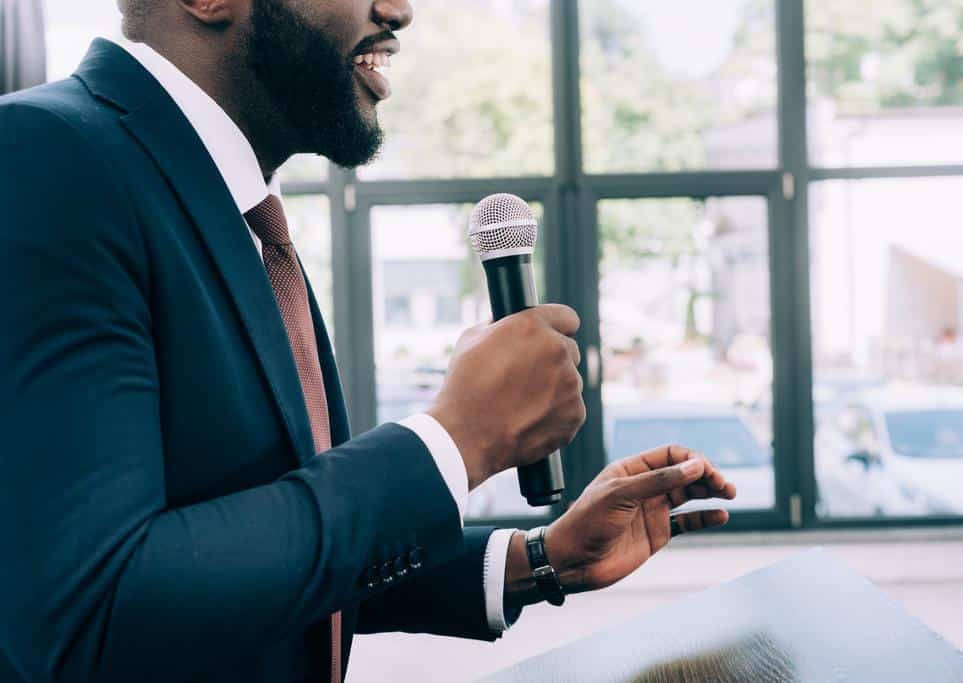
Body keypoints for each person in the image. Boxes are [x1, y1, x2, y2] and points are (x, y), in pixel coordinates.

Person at [0, 1, 737, 681]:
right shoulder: (43, 155)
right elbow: (93, 611)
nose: (399, 9)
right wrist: (455, 440)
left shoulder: (237, 207)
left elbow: (261, 553)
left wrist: (539, 559)